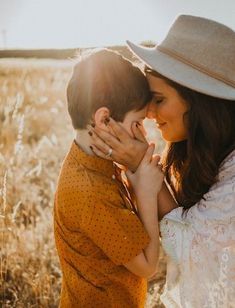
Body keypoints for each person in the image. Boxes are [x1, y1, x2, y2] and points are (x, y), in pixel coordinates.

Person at [88, 15, 235, 307]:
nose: (151, 114)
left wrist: (141, 164)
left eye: (158, 99)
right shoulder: (209, 149)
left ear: (199, 100)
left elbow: (190, 246)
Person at [53, 48, 164, 308]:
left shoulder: (93, 163)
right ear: (104, 119)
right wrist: (146, 193)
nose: (142, 131)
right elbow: (147, 267)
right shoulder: (90, 191)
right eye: (137, 121)